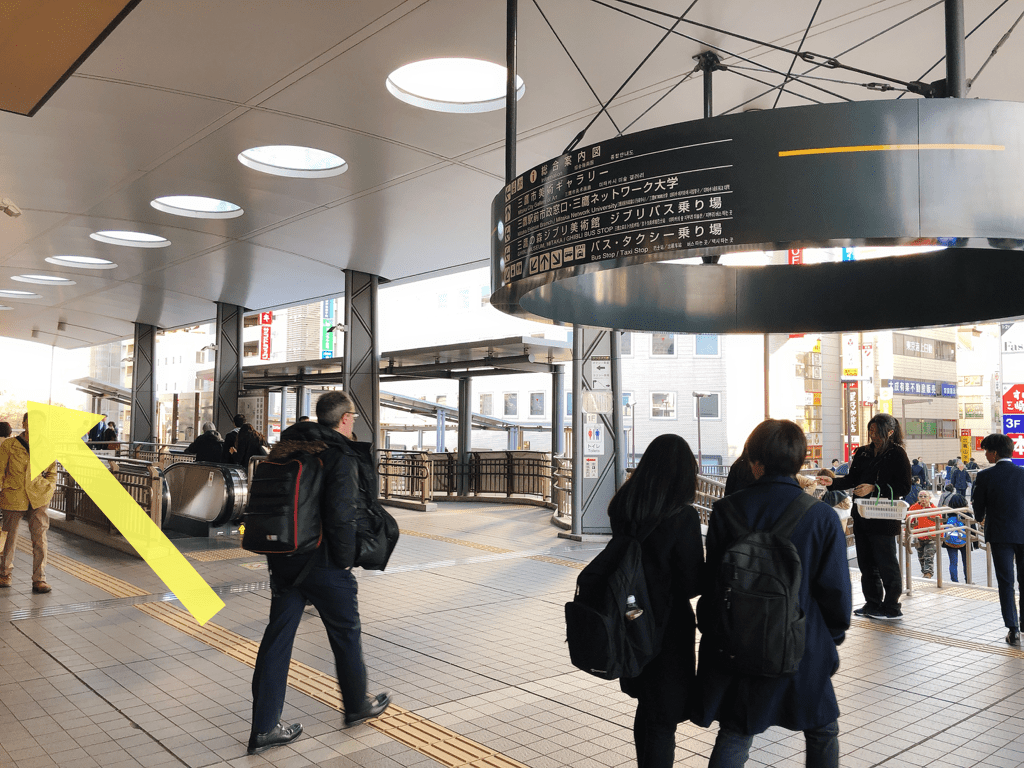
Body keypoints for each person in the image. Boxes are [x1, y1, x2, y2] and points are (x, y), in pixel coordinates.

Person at [696, 419, 851, 768]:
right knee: (822, 730)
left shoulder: (726, 511)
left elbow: (712, 583)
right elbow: (837, 592)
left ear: (754, 462)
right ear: (800, 461)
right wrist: (830, 638)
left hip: (740, 639)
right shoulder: (823, 517)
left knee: (736, 730)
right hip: (803, 640)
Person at [248, 391, 390, 755]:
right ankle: (356, 705)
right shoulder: (338, 456)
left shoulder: (289, 449)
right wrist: (344, 561)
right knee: (346, 634)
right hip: (323, 562)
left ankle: (264, 728)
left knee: (277, 639)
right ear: (344, 419)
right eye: (353, 417)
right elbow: (342, 514)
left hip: (284, 560)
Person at [609, 434, 703, 768]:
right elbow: (692, 583)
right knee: (662, 715)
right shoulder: (684, 517)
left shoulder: (623, 506)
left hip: (629, 616)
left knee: (646, 705)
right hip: (667, 626)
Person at [819, 413, 911, 620]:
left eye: (877, 432)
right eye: (870, 431)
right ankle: (872, 603)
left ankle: (892, 606)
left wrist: (875, 487)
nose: (872, 436)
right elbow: (851, 479)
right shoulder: (862, 453)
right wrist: (831, 482)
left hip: (885, 517)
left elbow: (905, 486)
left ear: (890, 432)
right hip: (862, 515)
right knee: (866, 563)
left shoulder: (897, 454)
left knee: (887, 562)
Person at [972, 433, 1024, 647]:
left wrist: (981, 518)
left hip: (1000, 535)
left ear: (994, 453)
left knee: (1006, 582)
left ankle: (1013, 629)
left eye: (986, 451)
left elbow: (978, 509)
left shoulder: (985, 476)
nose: (985, 455)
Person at [0, 413, 59, 593]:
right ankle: (4, 574)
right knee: (9, 537)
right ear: (24, 423)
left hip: (38, 497)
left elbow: (52, 472)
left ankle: (39, 579)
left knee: (40, 538)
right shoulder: (9, 445)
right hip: (13, 495)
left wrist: (47, 489)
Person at [907, 490, 940, 579]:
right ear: (918, 498)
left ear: (930, 498)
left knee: (928, 556)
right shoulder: (914, 508)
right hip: (918, 537)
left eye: (925, 496)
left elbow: (940, 525)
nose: (923, 499)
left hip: (931, 537)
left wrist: (941, 537)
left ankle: (928, 574)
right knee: (921, 558)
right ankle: (925, 573)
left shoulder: (935, 509)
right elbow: (908, 521)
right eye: (921, 496)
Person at [943, 493, 971, 583]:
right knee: (966, 562)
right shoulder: (967, 514)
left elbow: (944, 526)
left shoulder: (947, 513)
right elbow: (972, 528)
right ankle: (968, 580)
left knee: (953, 562)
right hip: (964, 540)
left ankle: (955, 581)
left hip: (950, 540)